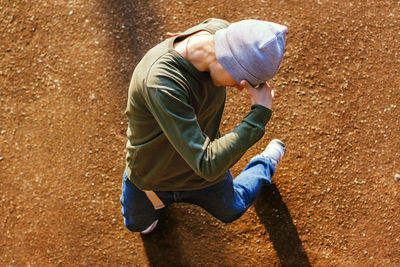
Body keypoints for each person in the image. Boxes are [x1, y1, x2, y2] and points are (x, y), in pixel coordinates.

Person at [121, 18, 287, 234]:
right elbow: (207, 163)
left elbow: (206, 169)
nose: (239, 87)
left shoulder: (218, 33)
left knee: (232, 209)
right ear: (225, 59)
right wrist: (258, 117)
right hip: (151, 177)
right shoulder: (161, 82)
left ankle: (263, 164)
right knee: (136, 225)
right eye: (241, 80)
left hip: (202, 179)